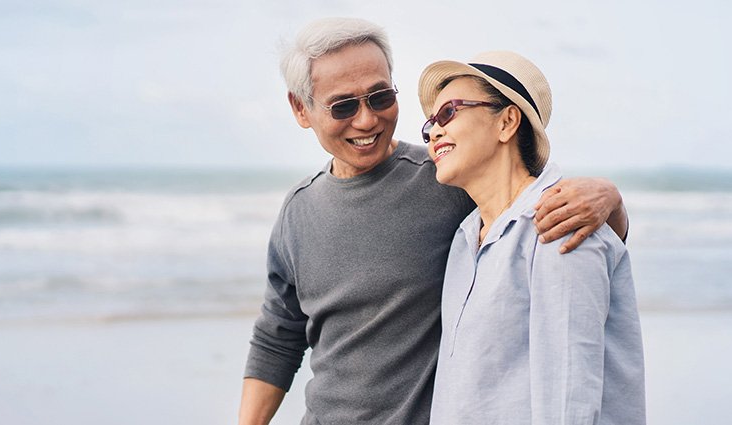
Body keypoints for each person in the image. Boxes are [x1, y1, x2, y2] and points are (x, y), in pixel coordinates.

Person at [240, 18, 630, 425]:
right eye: (343, 106)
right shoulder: (299, 212)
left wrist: (611, 201)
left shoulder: (450, 179)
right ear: (301, 109)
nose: (366, 120)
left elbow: (536, 201)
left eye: (379, 97)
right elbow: (278, 335)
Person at [419, 51, 645, 424]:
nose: (435, 132)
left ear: (507, 122)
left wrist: (613, 202)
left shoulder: (559, 222)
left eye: (449, 113)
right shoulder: (463, 239)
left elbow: (568, 396)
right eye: (429, 125)